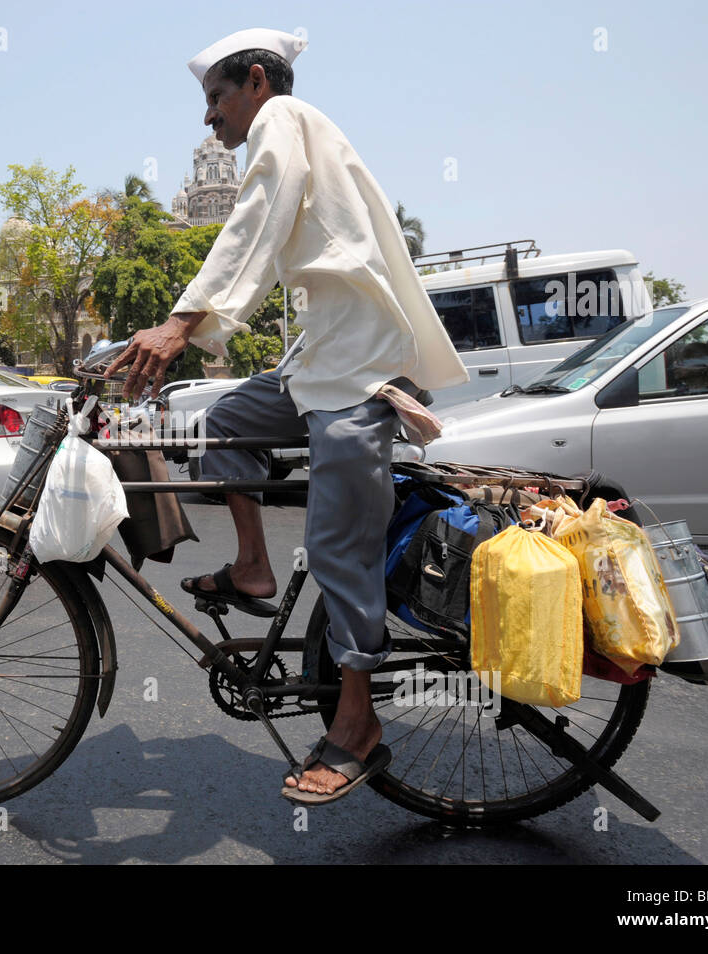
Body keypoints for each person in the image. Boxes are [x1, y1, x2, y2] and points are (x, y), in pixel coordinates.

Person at [107, 28, 468, 804]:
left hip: (361, 368)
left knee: (338, 544)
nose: (211, 122)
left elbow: (255, 225)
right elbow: (268, 247)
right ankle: (251, 566)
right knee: (228, 423)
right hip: (318, 362)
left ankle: (358, 723)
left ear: (259, 81)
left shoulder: (284, 124)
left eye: (216, 100)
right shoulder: (292, 137)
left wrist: (180, 322)